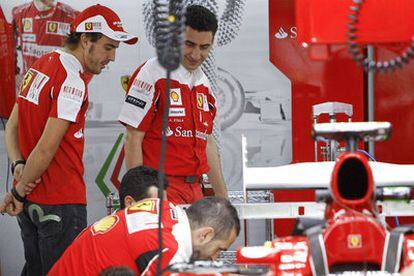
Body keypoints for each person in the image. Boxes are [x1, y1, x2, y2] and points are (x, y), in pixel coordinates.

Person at [0, 4, 137, 275]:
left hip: (30, 202)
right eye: (108, 47)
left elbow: (13, 124)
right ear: (85, 39)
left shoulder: (41, 63)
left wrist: (18, 167)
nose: (112, 57)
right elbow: (46, 148)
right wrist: (18, 190)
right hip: (60, 203)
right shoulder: (72, 81)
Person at [118, 5, 227, 205]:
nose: (196, 55)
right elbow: (133, 137)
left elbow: (208, 143)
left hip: (196, 190)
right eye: (189, 44)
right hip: (159, 190)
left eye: (204, 47)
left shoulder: (204, 83)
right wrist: (142, 201)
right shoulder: (152, 73)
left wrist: (223, 199)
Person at [49, 196, 240, 275]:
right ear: (205, 235)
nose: (215, 258)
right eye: (218, 250)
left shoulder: (164, 207)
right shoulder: (166, 248)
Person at [12, 0, 78, 75]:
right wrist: (14, 74)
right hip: (29, 82)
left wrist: (77, 82)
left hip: (58, 83)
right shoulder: (19, 13)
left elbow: (88, 55)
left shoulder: (73, 16)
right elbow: (9, 47)